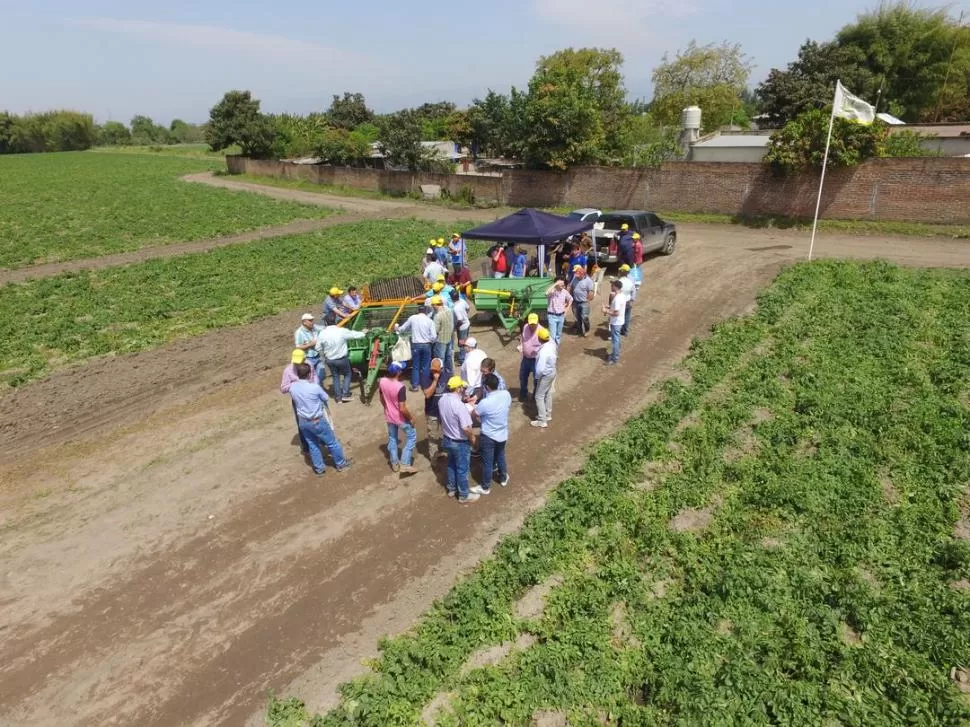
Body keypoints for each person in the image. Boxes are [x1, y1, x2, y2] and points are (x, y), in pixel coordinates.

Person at [288, 362, 350, 474]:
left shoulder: (292, 387)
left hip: (303, 422)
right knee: (332, 442)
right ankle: (341, 464)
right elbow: (325, 398)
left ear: (297, 374)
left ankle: (319, 468)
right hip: (316, 420)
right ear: (309, 374)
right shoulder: (314, 387)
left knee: (312, 445)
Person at [438, 375, 479, 503]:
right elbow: (466, 428)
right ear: (458, 388)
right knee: (462, 469)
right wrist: (472, 438)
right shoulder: (459, 406)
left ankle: (451, 488)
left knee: (451, 464)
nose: (463, 389)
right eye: (462, 387)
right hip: (460, 442)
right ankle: (463, 495)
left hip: (447, 438)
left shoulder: (442, 400)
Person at [472, 373, 511, 493]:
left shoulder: (485, 402)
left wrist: (480, 419)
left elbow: (474, 414)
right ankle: (503, 478)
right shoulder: (506, 394)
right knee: (500, 455)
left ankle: (485, 487)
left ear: (487, 387)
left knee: (487, 462)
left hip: (488, 435)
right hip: (502, 433)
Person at [379, 361, 417, 474]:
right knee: (412, 437)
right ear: (398, 372)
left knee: (392, 438)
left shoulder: (382, 381)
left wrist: (387, 408)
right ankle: (405, 463)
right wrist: (411, 418)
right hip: (400, 419)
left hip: (389, 416)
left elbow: (381, 398)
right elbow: (402, 408)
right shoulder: (400, 387)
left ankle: (394, 463)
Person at [316, 321, 367, 402]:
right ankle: (345, 394)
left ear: (326, 323)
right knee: (347, 374)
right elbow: (354, 335)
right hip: (342, 359)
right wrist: (363, 333)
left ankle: (338, 398)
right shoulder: (341, 331)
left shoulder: (322, 333)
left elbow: (318, 348)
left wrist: (324, 355)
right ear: (335, 322)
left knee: (335, 377)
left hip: (330, 360)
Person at [395, 305, 436, 391]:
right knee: (426, 366)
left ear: (418, 311)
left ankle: (415, 386)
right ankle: (425, 385)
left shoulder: (412, 318)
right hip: (426, 345)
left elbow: (403, 329)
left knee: (416, 365)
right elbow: (434, 336)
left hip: (416, 345)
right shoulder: (430, 321)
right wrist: (429, 341)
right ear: (426, 312)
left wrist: (397, 328)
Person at [280, 348, 312, 455]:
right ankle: (306, 447)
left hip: (311, 397)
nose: (298, 363)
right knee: (302, 422)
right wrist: (296, 383)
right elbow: (283, 388)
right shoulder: (288, 370)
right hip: (298, 400)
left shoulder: (309, 365)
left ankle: (319, 441)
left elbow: (314, 378)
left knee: (317, 419)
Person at [531, 328, 558, 428]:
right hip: (552, 371)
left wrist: (537, 377)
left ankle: (542, 420)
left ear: (539, 339)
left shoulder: (543, 351)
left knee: (539, 396)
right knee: (548, 393)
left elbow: (540, 369)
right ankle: (547, 414)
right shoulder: (552, 344)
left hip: (545, 375)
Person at [422, 357, 448, 461]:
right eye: (433, 370)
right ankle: (434, 460)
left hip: (445, 412)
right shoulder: (425, 377)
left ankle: (446, 453)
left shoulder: (447, 376)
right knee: (433, 437)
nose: (434, 372)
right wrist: (435, 380)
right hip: (432, 412)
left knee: (448, 434)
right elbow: (427, 394)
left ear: (442, 368)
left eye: (437, 371)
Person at [518, 313, 544, 402]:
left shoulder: (542, 331)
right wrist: (521, 346)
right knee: (522, 377)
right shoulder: (525, 327)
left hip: (536, 360)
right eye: (530, 324)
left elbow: (546, 346)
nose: (532, 326)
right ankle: (523, 394)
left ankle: (535, 396)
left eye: (534, 324)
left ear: (538, 322)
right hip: (525, 359)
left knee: (537, 379)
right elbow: (523, 338)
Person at [604, 279, 628, 365]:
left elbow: (616, 313)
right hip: (619, 321)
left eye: (612, 285)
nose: (611, 286)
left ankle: (614, 358)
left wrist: (606, 311)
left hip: (616, 322)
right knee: (617, 339)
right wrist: (609, 307)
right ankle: (615, 354)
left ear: (615, 287)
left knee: (615, 341)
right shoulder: (622, 295)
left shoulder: (617, 298)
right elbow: (617, 308)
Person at [294, 313, 322, 383]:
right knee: (310, 377)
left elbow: (324, 328)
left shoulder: (315, 327)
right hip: (308, 358)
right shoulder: (299, 332)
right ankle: (315, 387)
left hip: (317, 355)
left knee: (321, 374)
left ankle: (317, 385)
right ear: (304, 322)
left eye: (312, 320)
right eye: (310, 320)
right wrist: (310, 344)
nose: (312, 322)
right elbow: (298, 347)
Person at [431, 295, 455, 375]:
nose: (432, 307)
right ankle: (450, 373)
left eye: (432, 305)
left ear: (435, 305)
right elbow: (452, 324)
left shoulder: (437, 316)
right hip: (449, 337)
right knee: (448, 357)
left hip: (440, 340)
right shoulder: (449, 311)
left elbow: (435, 330)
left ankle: (442, 376)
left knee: (441, 359)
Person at [569, 265, 595, 337]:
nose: (576, 276)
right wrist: (570, 297)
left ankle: (587, 330)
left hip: (584, 302)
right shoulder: (575, 278)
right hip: (575, 301)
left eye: (578, 275)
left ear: (582, 274)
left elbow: (591, 292)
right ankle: (579, 331)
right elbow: (571, 287)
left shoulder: (588, 281)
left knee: (584, 317)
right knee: (577, 317)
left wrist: (588, 300)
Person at [545, 278, 573, 345]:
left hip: (561, 316)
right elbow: (546, 293)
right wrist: (555, 284)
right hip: (552, 316)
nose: (563, 286)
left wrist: (566, 309)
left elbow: (571, 299)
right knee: (552, 336)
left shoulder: (564, 291)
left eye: (563, 284)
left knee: (558, 335)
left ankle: (556, 348)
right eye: (561, 284)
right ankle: (552, 349)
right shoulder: (552, 292)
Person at [451, 289, 471, 366]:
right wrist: (465, 315)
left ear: (452, 298)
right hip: (467, 324)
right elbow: (468, 308)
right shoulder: (462, 301)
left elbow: (460, 320)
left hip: (462, 327)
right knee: (464, 342)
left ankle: (462, 360)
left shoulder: (456, 308)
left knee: (462, 344)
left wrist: (456, 327)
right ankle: (465, 357)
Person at [617, 264, 635, 336]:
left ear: (622, 272)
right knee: (627, 317)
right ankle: (625, 331)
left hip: (621, 302)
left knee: (619, 317)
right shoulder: (630, 281)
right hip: (628, 301)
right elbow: (633, 291)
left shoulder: (619, 281)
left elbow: (616, 292)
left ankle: (618, 331)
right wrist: (632, 299)